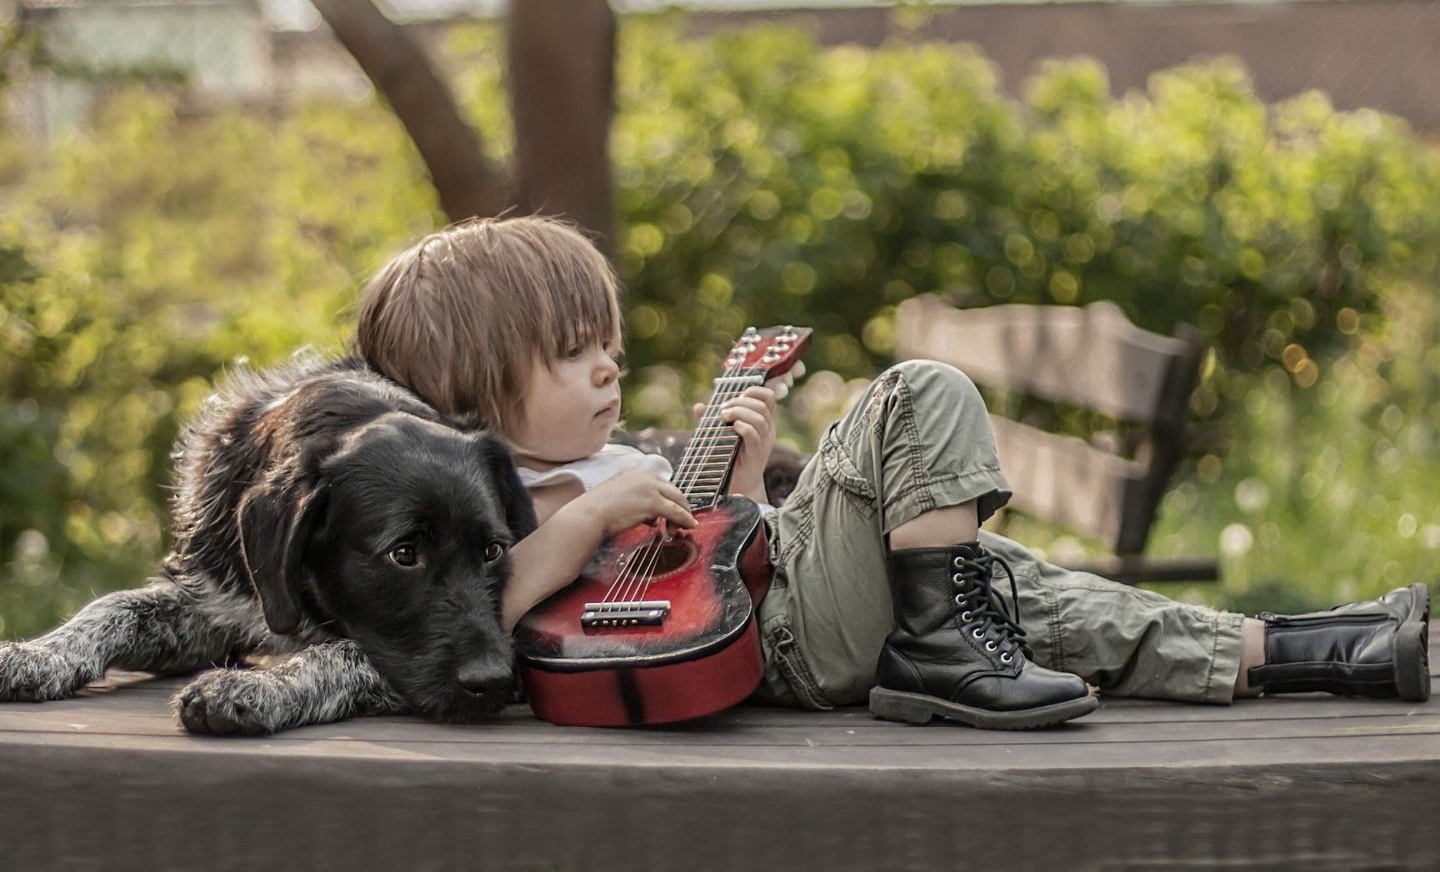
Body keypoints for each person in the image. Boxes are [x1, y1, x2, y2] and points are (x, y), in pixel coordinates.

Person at [353, 216, 1431, 730]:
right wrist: (593, 520)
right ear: (474, 393)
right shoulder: (489, 499)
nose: (607, 366)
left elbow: (708, 568)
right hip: (774, 650)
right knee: (915, 396)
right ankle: (941, 652)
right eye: (571, 352)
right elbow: (473, 617)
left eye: (610, 344)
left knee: (1018, 588)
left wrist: (724, 477)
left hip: (759, 632)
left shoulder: (605, 461)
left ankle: (1318, 651)